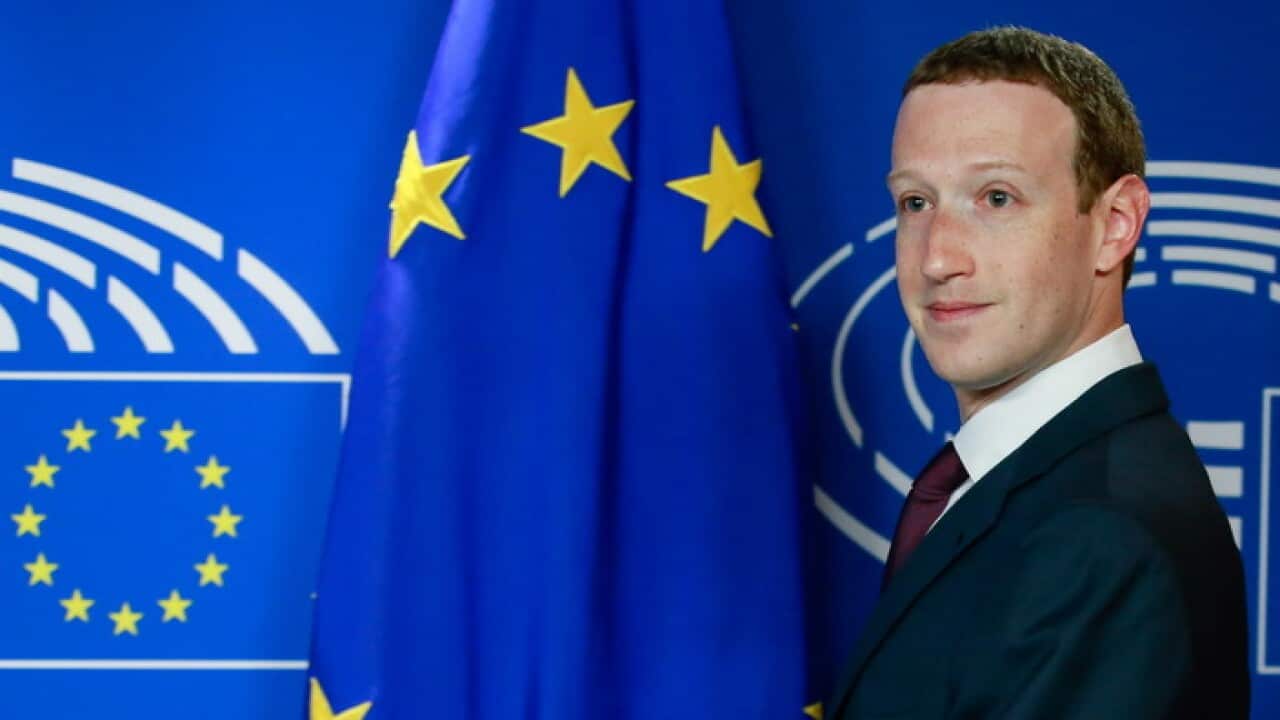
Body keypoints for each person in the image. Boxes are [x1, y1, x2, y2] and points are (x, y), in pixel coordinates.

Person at [827, 27, 1249, 719]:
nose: (936, 259)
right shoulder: (1029, 485)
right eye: (915, 202)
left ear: (1115, 224)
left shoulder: (1101, 538)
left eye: (996, 198)